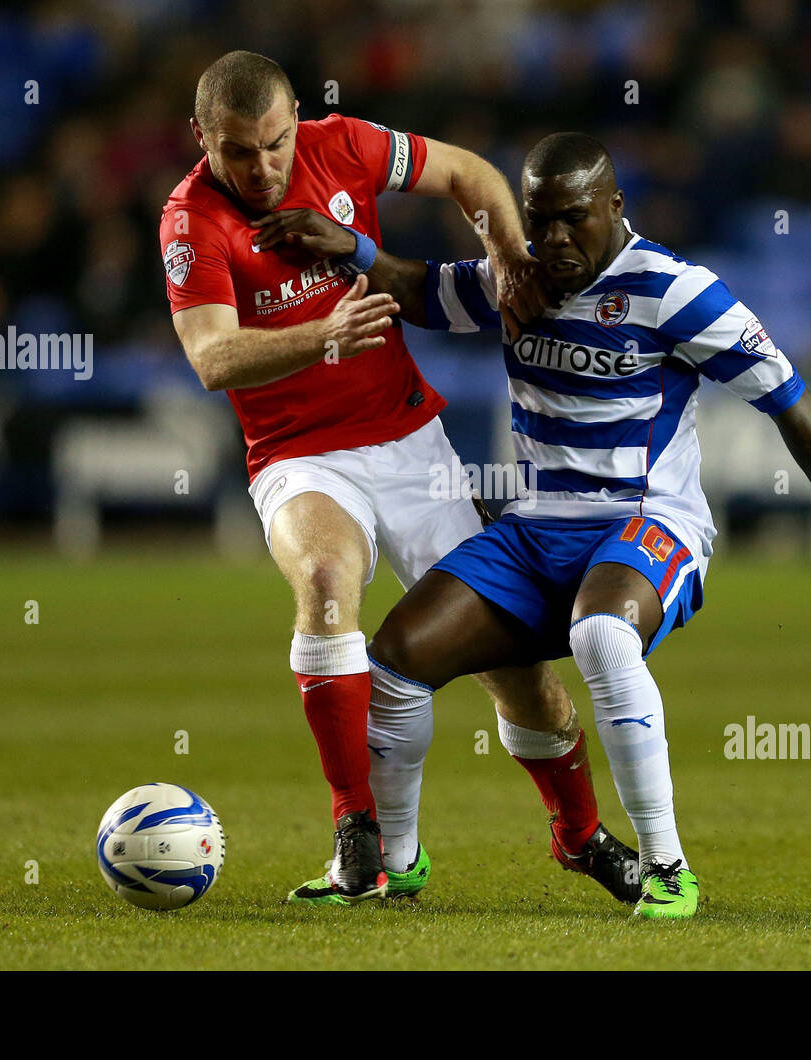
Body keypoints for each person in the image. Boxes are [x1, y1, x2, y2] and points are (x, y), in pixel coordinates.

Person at [264, 131, 811, 918]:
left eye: (572, 219)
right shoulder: (518, 278)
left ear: (615, 206)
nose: (552, 240)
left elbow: (786, 396)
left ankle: (669, 868)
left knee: (602, 637)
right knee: (397, 663)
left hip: (648, 523)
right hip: (538, 527)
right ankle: (397, 863)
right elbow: (419, 290)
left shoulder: (677, 291)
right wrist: (357, 250)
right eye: (538, 221)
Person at [160, 54, 638, 907]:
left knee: (519, 671)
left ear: (297, 120)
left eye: (274, 145)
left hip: (413, 444)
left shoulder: (345, 144)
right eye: (238, 152)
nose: (262, 168)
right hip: (298, 454)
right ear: (202, 139)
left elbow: (468, 171)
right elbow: (210, 356)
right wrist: (324, 336)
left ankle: (579, 834)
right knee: (322, 577)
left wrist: (510, 257)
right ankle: (360, 836)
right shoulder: (190, 221)